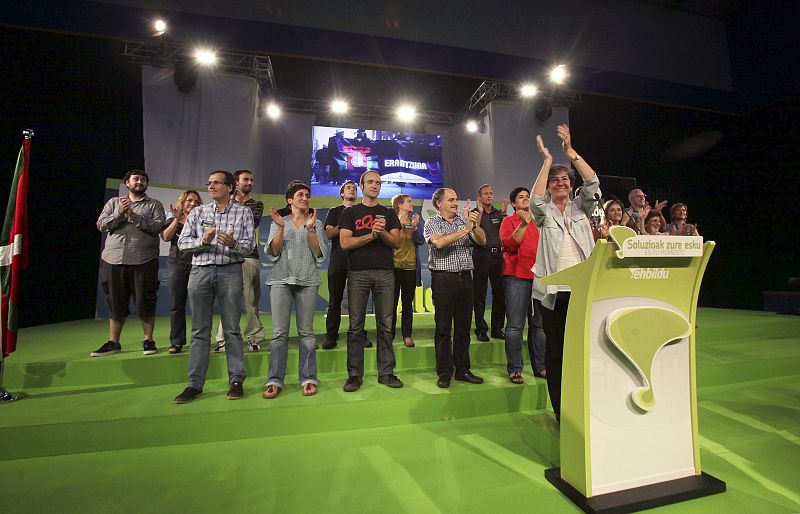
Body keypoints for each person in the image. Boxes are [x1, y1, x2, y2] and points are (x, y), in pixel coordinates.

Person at [531, 126, 600, 422]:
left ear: (571, 185)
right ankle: (561, 411)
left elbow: (593, 181)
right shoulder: (544, 211)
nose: (559, 183)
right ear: (549, 186)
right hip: (553, 293)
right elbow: (534, 200)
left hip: (582, 290)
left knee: (584, 350)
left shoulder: (581, 207)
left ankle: (584, 405)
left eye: (564, 179)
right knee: (556, 353)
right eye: (554, 181)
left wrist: (570, 151)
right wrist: (547, 161)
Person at [173, 171, 254, 404]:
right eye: (209, 183)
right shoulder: (199, 212)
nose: (211, 187)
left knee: (231, 329)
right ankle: (194, 384)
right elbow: (183, 243)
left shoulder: (243, 212)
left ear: (230, 187)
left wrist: (234, 244)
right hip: (200, 272)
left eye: (217, 183)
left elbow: (248, 248)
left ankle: (236, 380)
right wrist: (204, 241)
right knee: (199, 331)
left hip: (230, 272)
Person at [339, 171, 403, 392]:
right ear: (361, 185)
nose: (375, 185)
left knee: (386, 325)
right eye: (370, 182)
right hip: (358, 273)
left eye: (378, 182)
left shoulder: (388, 213)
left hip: (386, 273)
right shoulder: (351, 213)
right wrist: (371, 236)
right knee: (355, 326)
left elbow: (397, 242)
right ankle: (354, 375)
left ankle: (386, 372)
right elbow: (345, 243)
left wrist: (382, 232)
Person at [262, 182, 327, 399]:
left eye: (307, 195)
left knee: (307, 334)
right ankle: (274, 380)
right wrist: (280, 227)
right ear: (290, 200)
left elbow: (320, 254)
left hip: (308, 280)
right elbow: (273, 251)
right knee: (279, 333)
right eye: (300, 195)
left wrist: (310, 231)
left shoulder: (315, 223)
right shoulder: (278, 222)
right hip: (280, 279)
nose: (305, 198)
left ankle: (308, 378)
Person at [93, 169, 166, 357]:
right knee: (115, 301)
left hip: (144, 259)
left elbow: (157, 227)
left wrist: (133, 215)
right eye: (136, 179)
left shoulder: (154, 205)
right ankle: (113, 342)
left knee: (145, 300)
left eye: (143, 180)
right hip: (113, 258)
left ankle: (148, 340)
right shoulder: (114, 203)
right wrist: (119, 214)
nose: (139, 182)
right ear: (127, 183)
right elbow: (101, 225)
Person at [424, 188, 487, 388]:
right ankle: (444, 372)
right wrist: (466, 229)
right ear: (438, 203)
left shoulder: (464, 220)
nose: (455, 202)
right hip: (443, 280)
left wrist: (474, 225)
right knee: (443, 328)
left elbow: (482, 241)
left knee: (463, 328)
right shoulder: (432, 222)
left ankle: (462, 369)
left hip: (465, 279)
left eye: (456, 199)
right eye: (450, 200)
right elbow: (439, 243)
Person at [213, 170, 265, 352]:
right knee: (228, 300)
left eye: (251, 179)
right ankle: (223, 339)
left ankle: (254, 338)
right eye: (246, 179)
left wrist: (234, 209)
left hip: (249, 256)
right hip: (226, 256)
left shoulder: (257, 204)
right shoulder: (222, 204)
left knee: (251, 301)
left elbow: (252, 222)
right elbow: (219, 225)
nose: (250, 182)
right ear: (235, 183)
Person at [499, 187, 546, 383]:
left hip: (540, 276)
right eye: (521, 197)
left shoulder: (541, 221)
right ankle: (515, 368)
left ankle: (541, 366)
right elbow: (509, 245)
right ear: (513, 204)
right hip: (516, 278)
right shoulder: (508, 222)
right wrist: (523, 224)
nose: (526, 199)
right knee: (515, 326)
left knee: (539, 326)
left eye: (528, 196)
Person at [322, 180, 371, 349]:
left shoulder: (362, 212)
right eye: (348, 188)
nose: (352, 190)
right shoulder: (335, 211)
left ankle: (358, 335)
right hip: (338, 261)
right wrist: (345, 222)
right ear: (342, 193)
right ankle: (331, 336)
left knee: (358, 303)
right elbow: (329, 234)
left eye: (354, 188)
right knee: (334, 301)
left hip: (359, 261)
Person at [161, 189, 202, 354]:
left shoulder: (202, 220)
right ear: (183, 202)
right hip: (176, 264)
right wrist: (177, 219)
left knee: (199, 305)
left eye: (196, 202)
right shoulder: (172, 218)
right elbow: (165, 236)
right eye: (189, 200)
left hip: (197, 265)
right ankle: (177, 342)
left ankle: (199, 341)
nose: (192, 204)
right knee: (177, 305)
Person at [472, 184, 507, 341]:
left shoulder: (499, 214)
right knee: (479, 294)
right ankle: (481, 329)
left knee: (499, 293)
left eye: (491, 193)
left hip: (498, 257)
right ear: (480, 197)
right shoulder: (474, 213)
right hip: (481, 255)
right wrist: (477, 217)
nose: (489, 196)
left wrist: (505, 214)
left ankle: (497, 329)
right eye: (486, 193)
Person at [391, 194, 424, 347]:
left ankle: (407, 335)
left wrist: (416, 227)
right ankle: (388, 335)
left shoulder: (413, 222)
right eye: (409, 201)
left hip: (410, 268)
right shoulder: (391, 221)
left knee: (407, 304)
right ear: (399, 204)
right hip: (394, 268)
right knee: (390, 304)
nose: (412, 203)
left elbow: (421, 241)